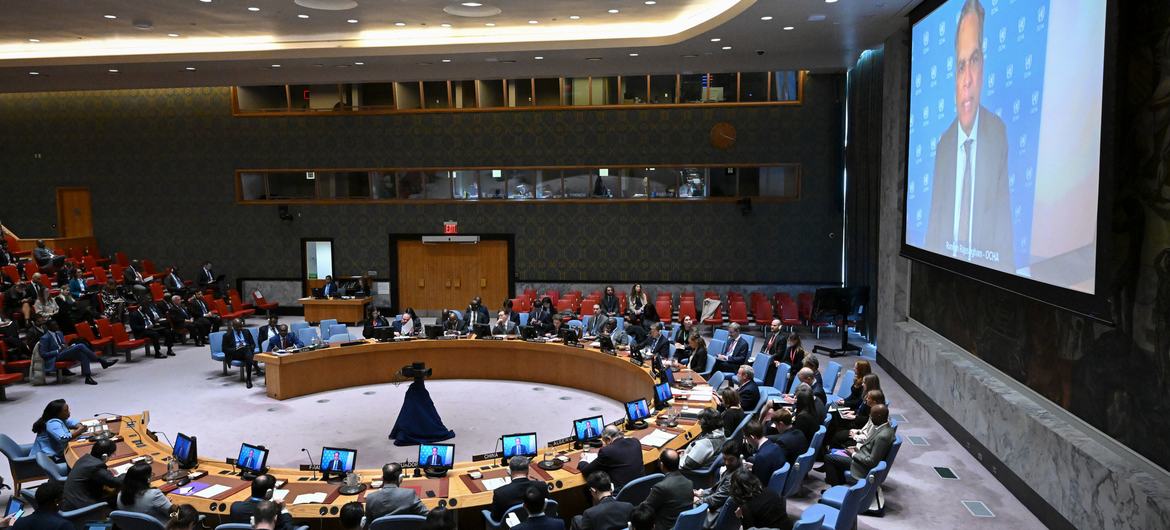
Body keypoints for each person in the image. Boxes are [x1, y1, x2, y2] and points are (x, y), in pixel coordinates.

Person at [925, 0, 1013, 272]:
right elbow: (934, 228)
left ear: (983, 65)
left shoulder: (997, 134)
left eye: (973, 60)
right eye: (961, 65)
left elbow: (1004, 235)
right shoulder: (944, 144)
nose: (967, 80)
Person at [822, 404, 896, 486]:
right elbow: (871, 448)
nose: (870, 417)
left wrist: (853, 454)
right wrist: (856, 450)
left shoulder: (883, 436)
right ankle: (840, 482)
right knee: (832, 451)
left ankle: (834, 489)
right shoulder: (884, 427)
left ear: (879, 416)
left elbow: (872, 462)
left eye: (871, 415)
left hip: (861, 466)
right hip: (862, 455)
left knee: (828, 458)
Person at [39, 321, 117, 385]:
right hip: (56, 356)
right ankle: (102, 361)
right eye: (54, 325)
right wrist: (57, 351)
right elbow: (43, 354)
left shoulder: (59, 333)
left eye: (56, 324)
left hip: (64, 351)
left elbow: (63, 344)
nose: (57, 326)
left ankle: (88, 378)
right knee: (80, 345)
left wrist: (67, 347)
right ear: (49, 327)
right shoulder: (45, 338)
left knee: (82, 354)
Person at [638, 449, 692, 530]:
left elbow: (645, 509)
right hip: (684, 525)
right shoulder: (689, 483)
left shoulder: (661, 487)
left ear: (662, 464)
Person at [62, 438, 122, 510]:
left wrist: (106, 472)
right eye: (112, 454)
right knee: (119, 496)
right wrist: (127, 472)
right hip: (83, 506)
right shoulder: (96, 468)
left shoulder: (85, 458)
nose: (112, 456)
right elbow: (115, 483)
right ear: (105, 456)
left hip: (71, 498)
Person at [577, 426, 644, 490]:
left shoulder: (607, 451)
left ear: (608, 439)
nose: (604, 444)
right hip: (642, 489)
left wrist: (583, 460)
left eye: (604, 440)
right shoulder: (635, 442)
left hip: (621, 494)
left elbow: (586, 471)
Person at [696, 442, 742, 527]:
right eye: (724, 459)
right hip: (719, 507)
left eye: (730, 460)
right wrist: (702, 493)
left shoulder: (734, 477)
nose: (727, 463)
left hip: (716, 515)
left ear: (738, 458)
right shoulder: (735, 468)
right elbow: (718, 489)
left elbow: (716, 499)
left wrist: (698, 501)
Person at [490, 456, 547, 521]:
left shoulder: (500, 493)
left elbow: (495, 518)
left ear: (509, 471)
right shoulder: (542, 486)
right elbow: (548, 508)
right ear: (528, 470)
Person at [229, 474, 295, 530]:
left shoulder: (235, 507)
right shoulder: (273, 513)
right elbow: (288, 528)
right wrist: (283, 510)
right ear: (269, 492)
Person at [742, 421, 785, 487]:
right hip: (777, 485)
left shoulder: (761, 457)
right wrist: (754, 467)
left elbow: (758, 484)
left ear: (752, 437)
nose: (747, 442)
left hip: (765, 491)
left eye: (746, 438)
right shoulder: (775, 446)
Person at [221, 318, 258, 388]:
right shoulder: (227, 335)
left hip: (246, 353)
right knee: (247, 351)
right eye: (238, 326)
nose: (240, 328)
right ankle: (253, 373)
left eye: (241, 326)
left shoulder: (246, 332)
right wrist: (236, 348)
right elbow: (224, 349)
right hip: (235, 354)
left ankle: (249, 379)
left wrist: (250, 349)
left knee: (246, 350)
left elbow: (253, 344)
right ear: (233, 326)